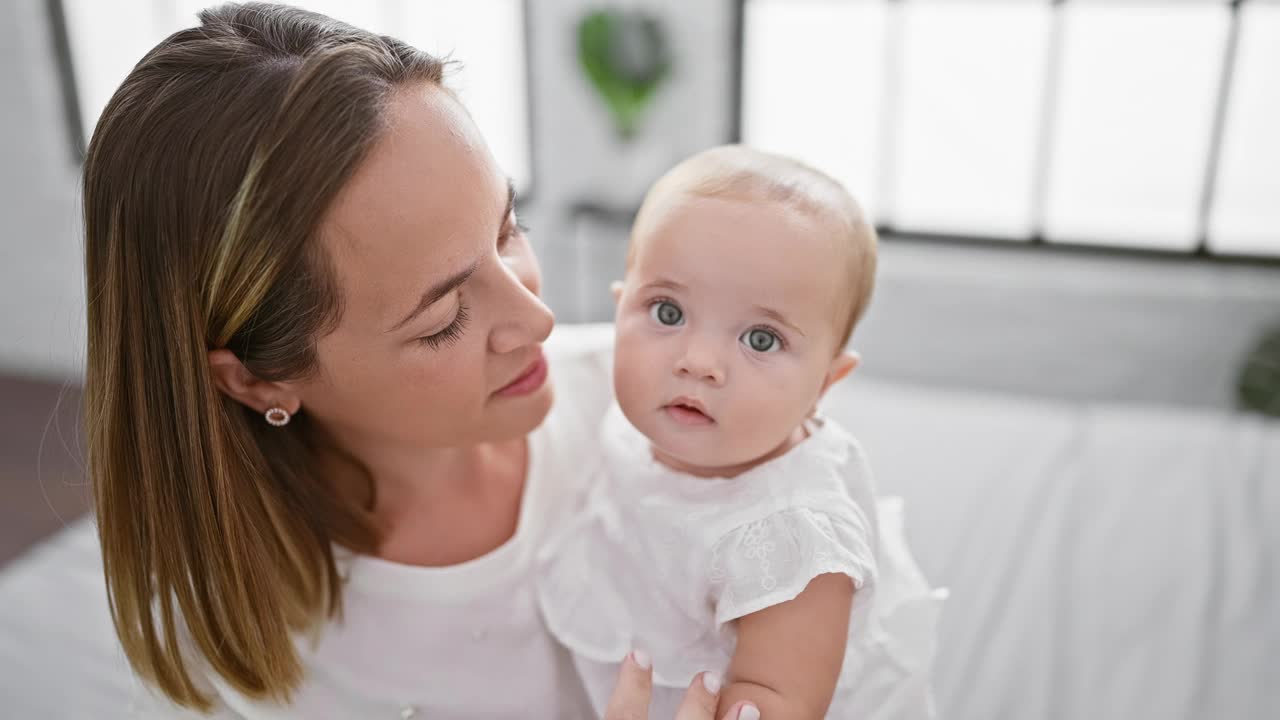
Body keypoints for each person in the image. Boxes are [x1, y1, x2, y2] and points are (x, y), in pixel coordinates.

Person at [84, 3, 757, 718]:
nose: (539, 320)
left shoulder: (683, 421)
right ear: (257, 379)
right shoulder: (242, 646)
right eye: (443, 321)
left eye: (508, 230)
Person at [536, 146, 945, 718]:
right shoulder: (634, 409)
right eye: (668, 312)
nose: (699, 361)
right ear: (619, 309)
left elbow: (777, 699)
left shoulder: (791, 532)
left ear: (826, 382)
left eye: (761, 339)